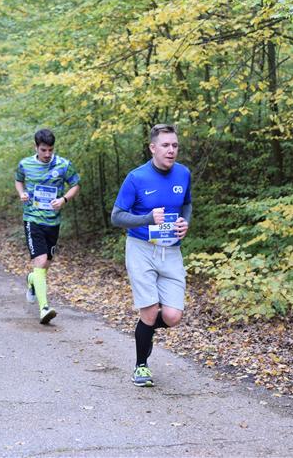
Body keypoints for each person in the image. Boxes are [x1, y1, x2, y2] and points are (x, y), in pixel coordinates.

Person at [111, 124, 192, 387]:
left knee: (172, 316)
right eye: (165, 145)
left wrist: (185, 223)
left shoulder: (183, 173)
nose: (171, 150)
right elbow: (116, 217)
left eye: (175, 145)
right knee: (149, 311)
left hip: (171, 250)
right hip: (141, 249)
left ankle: (143, 329)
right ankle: (141, 366)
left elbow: (187, 204)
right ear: (153, 148)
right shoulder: (136, 178)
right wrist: (147, 218)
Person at [15, 128, 80, 324]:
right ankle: (44, 308)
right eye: (43, 150)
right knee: (41, 261)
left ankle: (32, 280)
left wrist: (64, 199)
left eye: (50, 150)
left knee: (45, 266)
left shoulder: (63, 165)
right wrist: (22, 194)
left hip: (53, 222)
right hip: (32, 219)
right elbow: (19, 181)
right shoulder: (25, 164)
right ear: (36, 147)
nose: (47, 154)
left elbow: (76, 184)